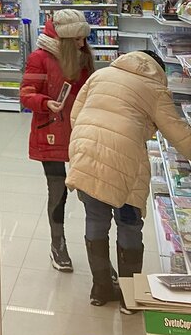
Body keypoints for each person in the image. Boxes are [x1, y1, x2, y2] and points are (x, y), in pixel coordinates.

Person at [67, 50, 191, 309]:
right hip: (126, 163)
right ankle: (129, 296)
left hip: (86, 153)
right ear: (156, 69)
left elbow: (75, 116)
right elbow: (179, 133)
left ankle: (100, 288)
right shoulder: (154, 89)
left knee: (95, 220)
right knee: (129, 225)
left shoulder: (100, 75)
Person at [20, 9, 94, 273]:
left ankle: (97, 253)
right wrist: (45, 102)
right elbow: (26, 94)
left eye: (84, 38)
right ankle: (57, 244)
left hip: (78, 131)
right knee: (57, 191)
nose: (83, 43)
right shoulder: (39, 58)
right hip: (49, 131)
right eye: (77, 39)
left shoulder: (82, 57)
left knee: (90, 193)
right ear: (64, 38)